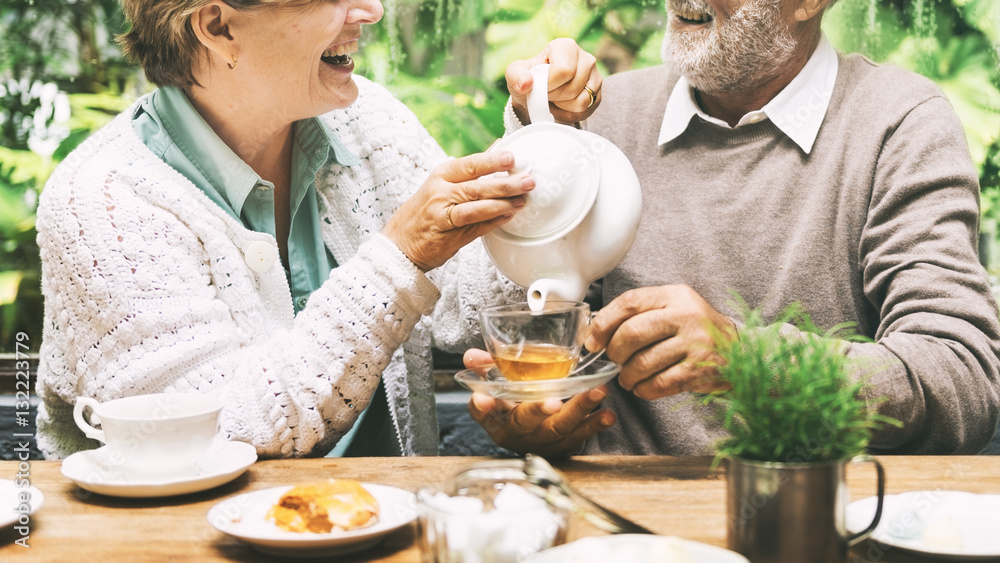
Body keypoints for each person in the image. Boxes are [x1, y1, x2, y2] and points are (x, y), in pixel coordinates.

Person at [33, 0, 598, 460]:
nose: (371, 10)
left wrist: (542, 144)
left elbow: (470, 309)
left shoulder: (368, 120)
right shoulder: (99, 201)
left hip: (392, 527)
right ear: (217, 26)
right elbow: (225, 432)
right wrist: (399, 256)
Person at [467, 0, 1000, 456]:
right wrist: (548, 426)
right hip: (620, 530)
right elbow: (553, 356)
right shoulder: (600, 120)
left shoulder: (899, 122)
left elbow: (962, 381)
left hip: (807, 523)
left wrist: (750, 362)